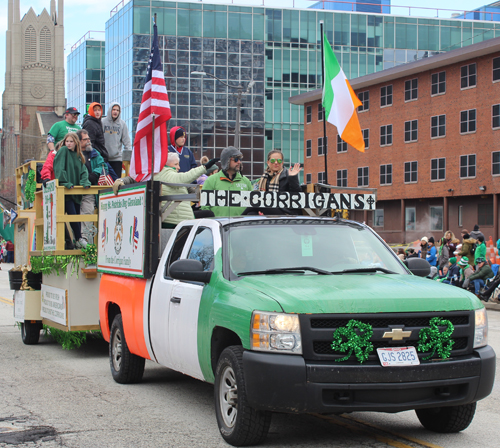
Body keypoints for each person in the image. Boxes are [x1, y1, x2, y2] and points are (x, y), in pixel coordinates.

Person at [113, 153, 219, 227]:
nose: (179, 167)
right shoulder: (166, 173)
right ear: (167, 165)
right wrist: (204, 167)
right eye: (176, 164)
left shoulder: (170, 176)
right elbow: (185, 178)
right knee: (209, 216)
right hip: (174, 220)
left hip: (180, 218)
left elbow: (191, 191)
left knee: (208, 214)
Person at [77, 130, 118, 242]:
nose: (88, 141)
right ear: (79, 141)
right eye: (85, 139)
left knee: (88, 211)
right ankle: (78, 239)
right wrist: (84, 177)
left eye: (88, 139)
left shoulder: (94, 153)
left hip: (92, 188)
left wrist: (95, 173)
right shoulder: (74, 154)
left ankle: (87, 239)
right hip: (76, 188)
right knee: (75, 214)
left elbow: (102, 164)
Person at [53, 133, 92, 249]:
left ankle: (76, 240)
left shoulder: (78, 156)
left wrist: (85, 182)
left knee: (76, 217)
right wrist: (65, 183)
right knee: (72, 215)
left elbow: (84, 171)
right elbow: (59, 169)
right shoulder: (63, 150)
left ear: (76, 143)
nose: (68, 144)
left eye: (71, 141)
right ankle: (79, 238)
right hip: (65, 191)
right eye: (67, 141)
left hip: (75, 192)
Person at [244, 150, 302, 216]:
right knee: (251, 214)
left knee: (258, 202)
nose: (276, 163)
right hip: (269, 208)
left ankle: (238, 219)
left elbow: (297, 195)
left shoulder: (288, 175)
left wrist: (293, 177)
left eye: (279, 161)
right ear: (268, 162)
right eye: (272, 161)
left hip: (285, 211)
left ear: (282, 163)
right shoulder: (265, 177)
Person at [201, 146, 253, 217]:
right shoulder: (211, 181)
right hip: (219, 225)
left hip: (240, 226)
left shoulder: (246, 182)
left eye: (240, 159)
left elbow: (252, 206)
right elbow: (205, 208)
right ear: (227, 161)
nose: (239, 162)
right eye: (236, 159)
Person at [102, 102, 131, 178]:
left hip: (117, 158)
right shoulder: (102, 122)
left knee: (116, 181)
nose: (115, 112)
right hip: (104, 158)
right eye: (114, 109)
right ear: (110, 110)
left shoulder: (122, 124)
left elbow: (127, 141)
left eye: (117, 110)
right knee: (105, 181)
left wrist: (128, 156)